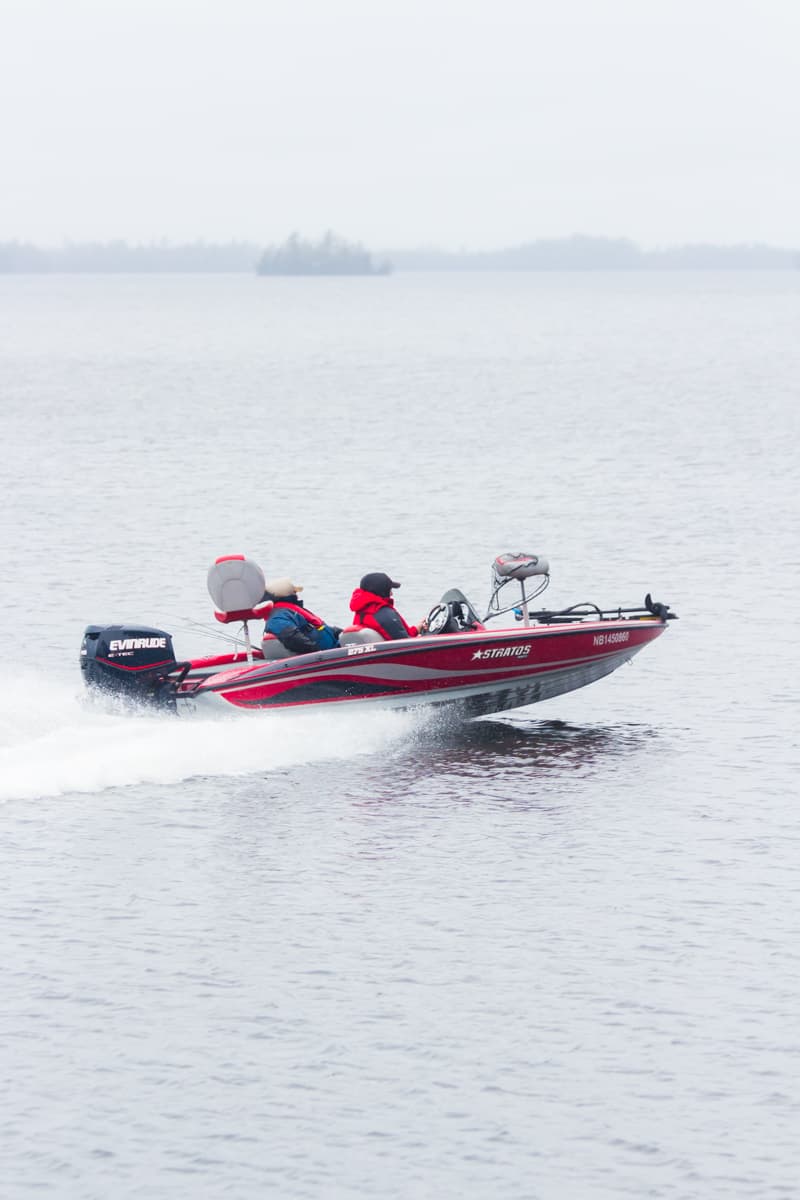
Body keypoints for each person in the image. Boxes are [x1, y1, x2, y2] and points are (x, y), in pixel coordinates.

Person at [262, 577, 341, 654]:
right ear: (287, 595)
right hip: (320, 656)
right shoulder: (278, 618)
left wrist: (338, 632)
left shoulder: (292, 610)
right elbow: (294, 639)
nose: (297, 595)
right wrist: (318, 652)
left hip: (330, 650)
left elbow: (318, 627)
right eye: (294, 592)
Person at [349, 572, 428, 640]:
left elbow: (394, 634)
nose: (391, 594)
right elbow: (403, 642)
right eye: (389, 590)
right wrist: (420, 638)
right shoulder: (383, 613)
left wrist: (417, 629)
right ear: (382, 592)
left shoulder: (362, 611)